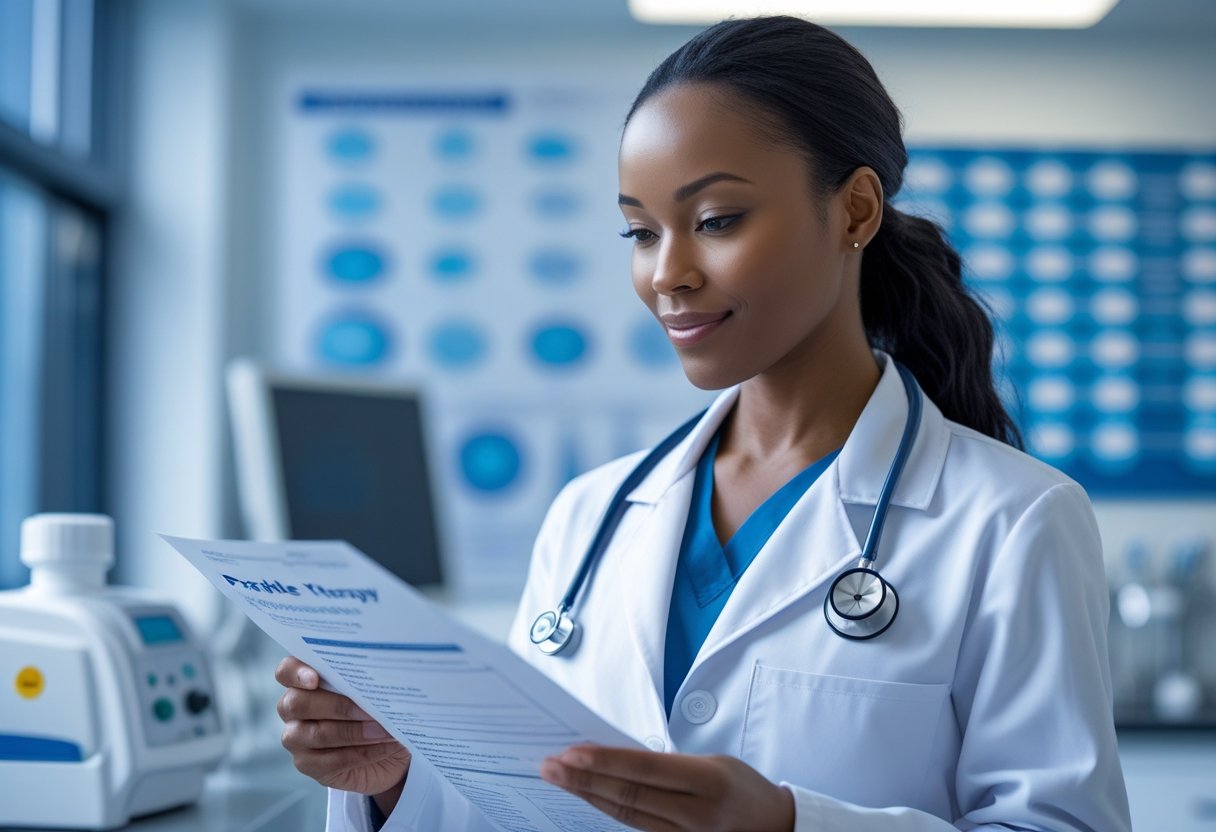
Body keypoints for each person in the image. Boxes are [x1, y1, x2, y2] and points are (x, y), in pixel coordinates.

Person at [275, 15, 1132, 832]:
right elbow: (526, 806)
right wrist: (394, 783)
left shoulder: (1013, 520)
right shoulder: (590, 516)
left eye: (717, 221)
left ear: (856, 212)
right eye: (641, 232)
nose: (667, 275)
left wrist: (792, 824)